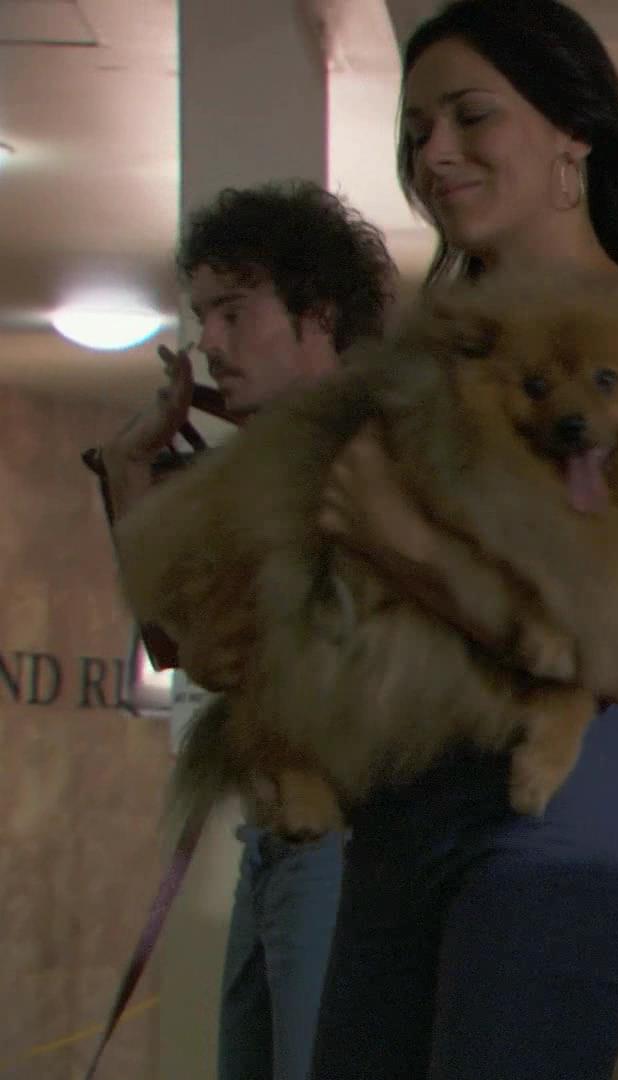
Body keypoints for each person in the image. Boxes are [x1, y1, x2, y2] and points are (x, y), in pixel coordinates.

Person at [302, 2, 618, 1076]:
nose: (435, 154)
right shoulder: (433, 343)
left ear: (572, 137)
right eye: (417, 131)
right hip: (398, 823)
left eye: (471, 116)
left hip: (549, 830)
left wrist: (401, 545)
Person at [94, 180, 396, 1080]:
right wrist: (129, 471)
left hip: (350, 844)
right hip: (274, 841)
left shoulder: (372, 450)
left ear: (318, 313)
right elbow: (179, 644)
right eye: (203, 318)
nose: (211, 344)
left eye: (235, 312)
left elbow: (215, 651)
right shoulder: (271, 457)